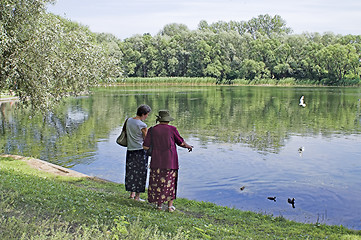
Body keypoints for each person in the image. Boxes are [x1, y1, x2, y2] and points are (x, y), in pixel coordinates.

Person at [143, 110, 193, 212]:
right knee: (170, 183)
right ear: (168, 120)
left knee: (157, 182)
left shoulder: (152, 130)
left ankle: (159, 206)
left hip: (156, 161)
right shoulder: (172, 129)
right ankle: (170, 207)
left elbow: (145, 146)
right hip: (170, 161)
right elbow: (181, 143)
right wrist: (188, 146)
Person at [125, 104, 151, 201]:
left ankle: (132, 194)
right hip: (140, 151)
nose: (147, 116)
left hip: (130, 150)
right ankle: (137, 197)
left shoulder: (129, 120)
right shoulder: (142, 125)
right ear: (143, 114)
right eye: (147, 114)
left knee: (131, 172)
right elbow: (147, 139)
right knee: (140, 173)